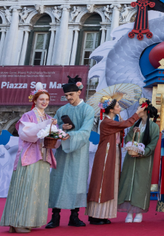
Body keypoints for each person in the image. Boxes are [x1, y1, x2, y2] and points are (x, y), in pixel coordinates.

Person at [0, 83, 57, 233]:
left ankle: (29, 221)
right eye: (41, 99)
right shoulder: (28, 116)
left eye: (47, 99)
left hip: (43, 156)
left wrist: (58, 135)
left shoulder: (49, 117)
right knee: (25, 187)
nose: (44, 102)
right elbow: (27, 135)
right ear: (35, 100)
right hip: (29, 156)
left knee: (37, 189)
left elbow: (53, 141)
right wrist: (46, 125)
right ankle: (18, 222)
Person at [86, 99, 144, 225]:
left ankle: (102, 214)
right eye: (117, 106)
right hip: (106, 154)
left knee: (109, 181)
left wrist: (130, 128)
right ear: (111, 109)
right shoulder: (106, 122)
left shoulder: (112, 121)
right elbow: (125, 125)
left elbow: (122, 127)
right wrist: (137, 113)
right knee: (103, 181)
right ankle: (96, 215)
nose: (119, 108)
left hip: (112, 153)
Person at [47, 76, 94, 229]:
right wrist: (61, 128)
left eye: (71, 95)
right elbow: (53, 129)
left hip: (79, 151)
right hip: (62, 151)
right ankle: (55, 216)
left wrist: (69, 135)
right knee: (58, 181)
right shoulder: (62, 110)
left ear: (79, 92)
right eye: (66, 95)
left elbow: (85, 132)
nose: (68, 98)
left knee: (77, 182)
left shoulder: (88, 110)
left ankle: (74, 216)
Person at [118, 103, 160, 223]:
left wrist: (143, 152)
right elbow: (128, 139)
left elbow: (153, 144)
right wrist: (134, 133)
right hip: (131, 158)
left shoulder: (153, 127)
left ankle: (140, 212)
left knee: (141, 185)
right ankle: (130, 212)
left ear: (145, 111)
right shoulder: (135, 124)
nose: (137, 111)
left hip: (144, 159)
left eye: (139, 109)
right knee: (128, 183)